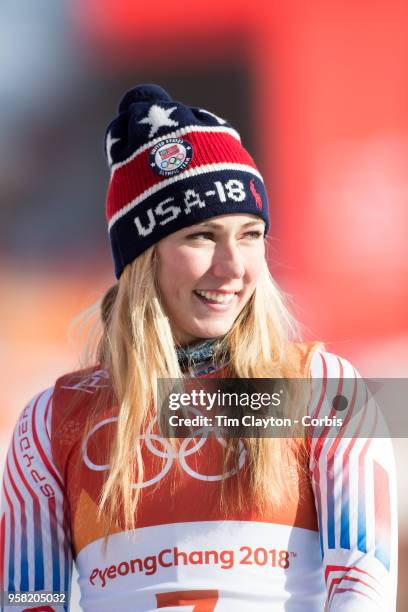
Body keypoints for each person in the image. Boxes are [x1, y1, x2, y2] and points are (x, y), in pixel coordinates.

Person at [0, 84, 397, 611]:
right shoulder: (54, 422)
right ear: (143, 259)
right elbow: (31, 599)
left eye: (251, 234)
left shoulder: (319, 392)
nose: (234, 267)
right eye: (202, 236)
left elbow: (362, 587)